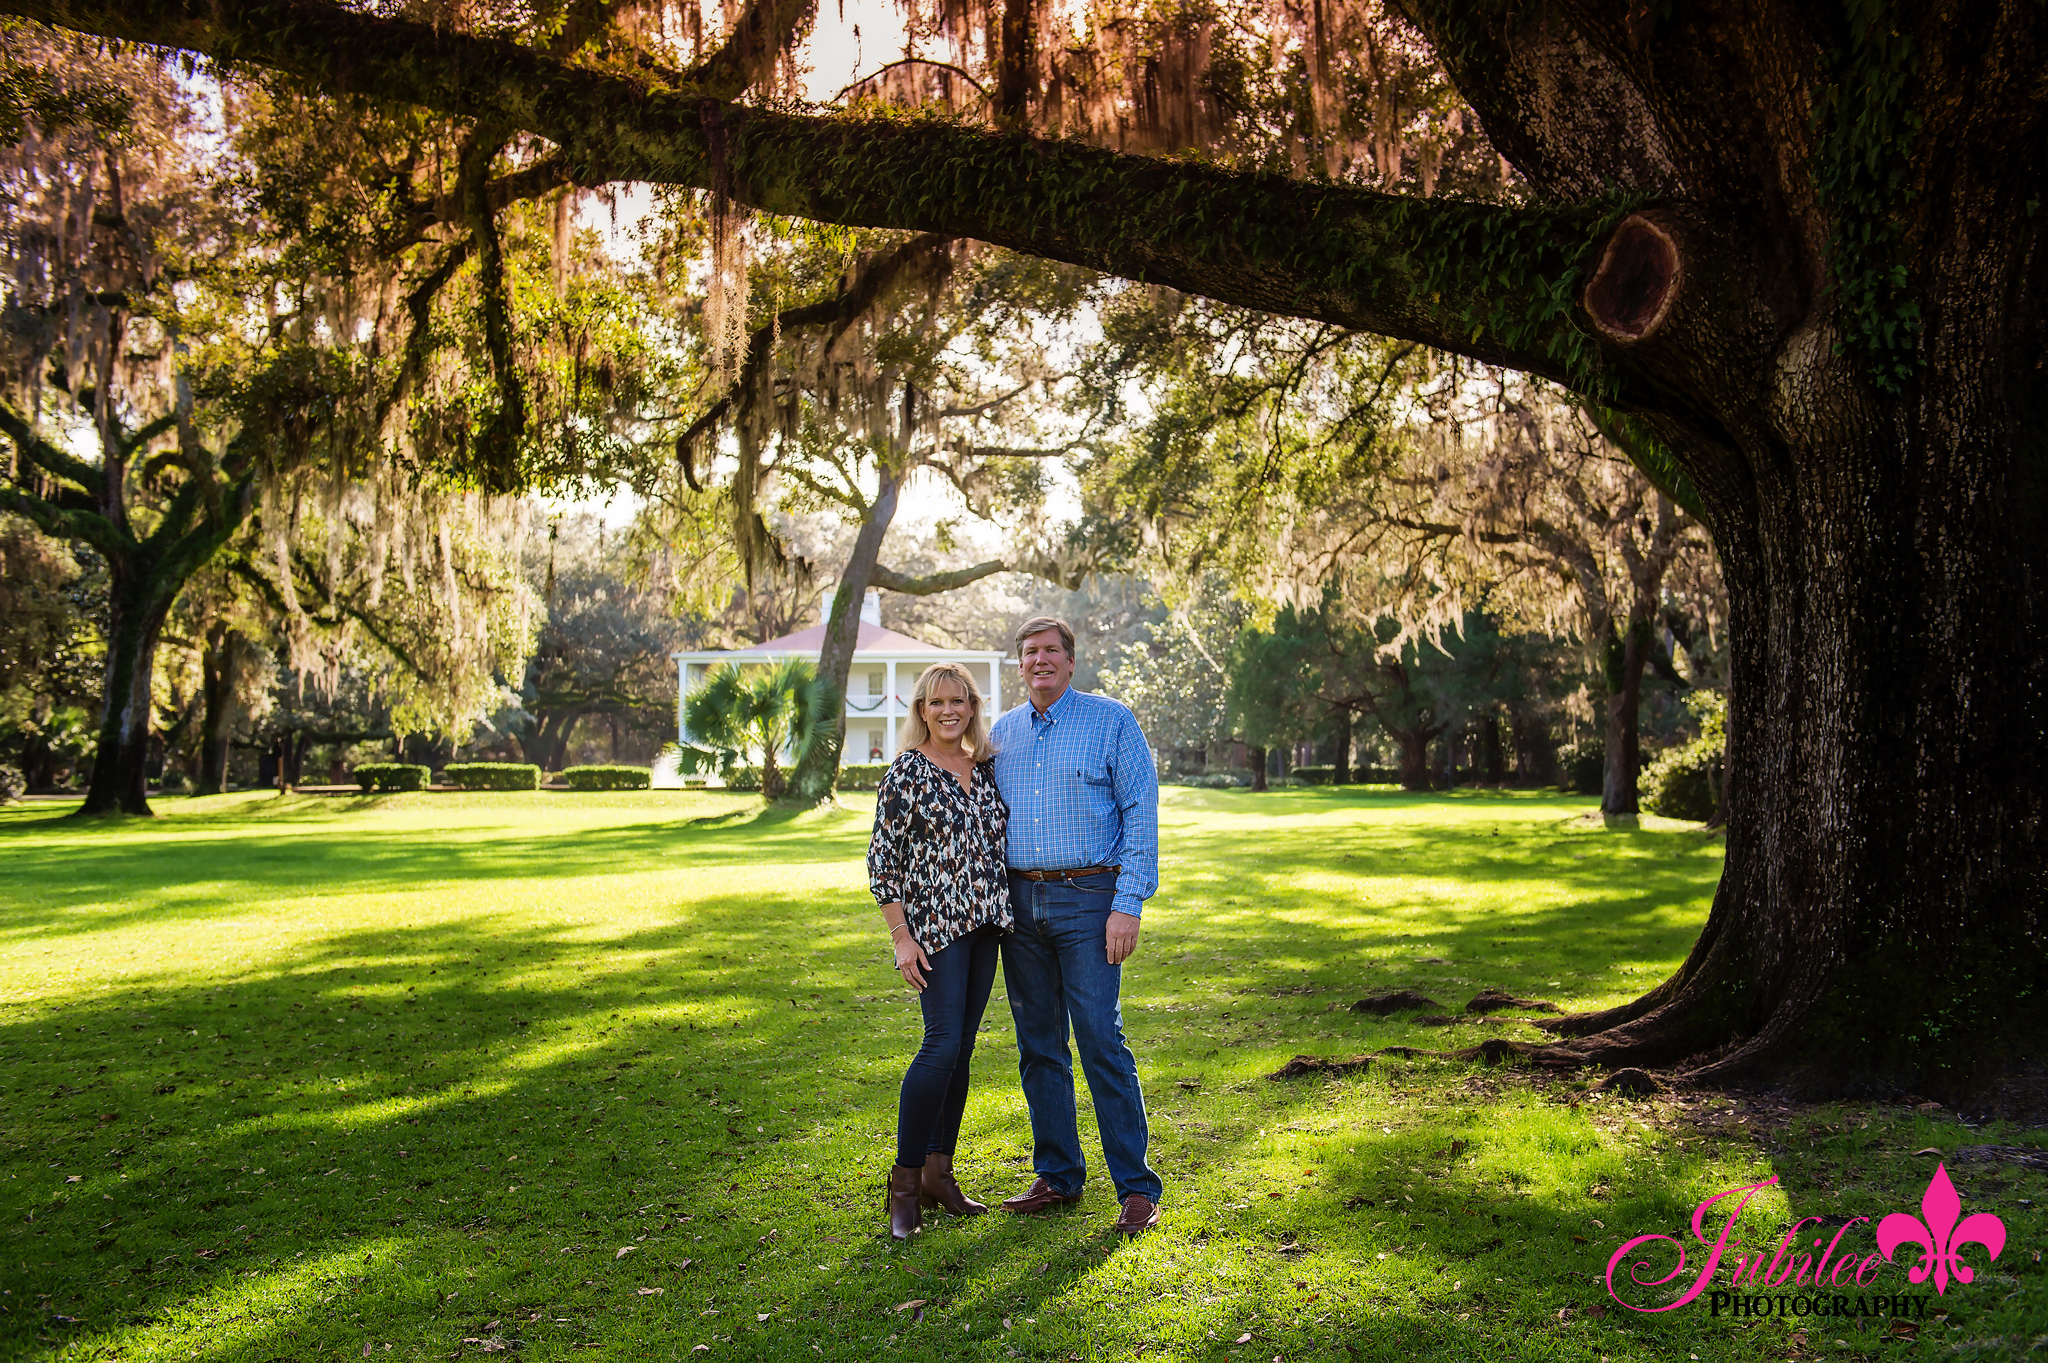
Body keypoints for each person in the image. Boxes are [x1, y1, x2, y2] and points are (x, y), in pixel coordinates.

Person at [989, 616, 1163, 1235]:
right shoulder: (1002, 734)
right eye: (1029, 652)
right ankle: (1059, 1175)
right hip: (1019, 904)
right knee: (1038, 1045)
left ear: (1070, 660)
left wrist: (1129, 902)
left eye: (1051, 652)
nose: (1040, 661)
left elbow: (1141, 812)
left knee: (1099, 1037)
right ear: (1019, 664)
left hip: (1091, 899)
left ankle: (1137, 1189)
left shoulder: (1111, 720)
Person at [866, 661, 1012, 1241]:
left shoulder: (985, 768)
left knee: (962, 1049)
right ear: (922, 711)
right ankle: (903, 1186)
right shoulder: (906, 774)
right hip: (936, 930)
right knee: (941, 1044)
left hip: (985, 928)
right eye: (937, 703)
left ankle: (938, 1172)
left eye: (960, 701)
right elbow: (884, 863)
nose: (950, 710)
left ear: (973, 707)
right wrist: (901, 936)